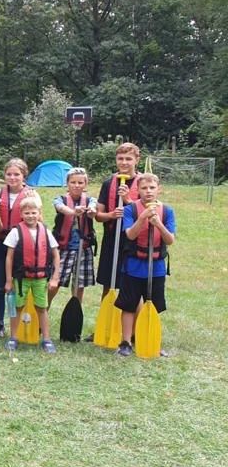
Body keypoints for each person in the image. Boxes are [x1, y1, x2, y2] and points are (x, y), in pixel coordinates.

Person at [115, 173, 175, 357]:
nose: (148, 191)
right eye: (144, 188)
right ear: (138, 190)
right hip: (133, 265)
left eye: (152, 188)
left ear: (158, 189)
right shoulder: (130, 210)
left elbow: (170, 239)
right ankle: (125, 342)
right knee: (128, 304)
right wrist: (142, 218)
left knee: (154, 304)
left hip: (156, 266)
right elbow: (130, 235)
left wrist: (158, 223)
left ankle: (150, 339)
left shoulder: (167, 211)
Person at [92, 143, 141, 341]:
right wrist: (111, 214)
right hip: (112, 240)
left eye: (128, 159)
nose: (124, 162)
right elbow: (98, 215)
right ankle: (105, 327)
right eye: (121, 158)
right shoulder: (108, 183)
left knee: (132, 287)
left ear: (136, 160)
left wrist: (128, 201)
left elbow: (147, 211)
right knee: (108, 285)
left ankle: (134, 332)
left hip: (133, 242)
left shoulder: (143, 182)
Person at [3, 193, 61, 354]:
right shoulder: (15, 232)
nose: (30, 216)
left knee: (42, 308)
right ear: (21, 214)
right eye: (27, 213)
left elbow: (56, 255)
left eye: (33, 212)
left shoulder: (46, 232)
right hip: (21, 279)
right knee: (18, 306)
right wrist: (9, 280)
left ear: (39, 213)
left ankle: (47, 339)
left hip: (41, 278)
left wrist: (55, 277)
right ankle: (13, 337)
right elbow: (9, 258)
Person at [0, 158, 32, 338]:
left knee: (21, 285)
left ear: (24, 176)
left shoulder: (31, 195)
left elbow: (37, 223)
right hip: (1, 243)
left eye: (17, 174)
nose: (12, 177)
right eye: (9, 174)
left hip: (21, 245)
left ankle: (23, 321)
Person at [52, 167, 97, 307]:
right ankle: (43, 311)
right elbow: (60, 208)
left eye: (80, 183)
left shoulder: (90, 200)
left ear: (85, 184)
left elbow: (93, 210)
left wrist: (91, 211)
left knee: (79, 284)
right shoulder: (60, 199)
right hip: (63, 248)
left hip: (83, 248)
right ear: (67, 183)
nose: (77, 186)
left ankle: (75, 311)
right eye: (73, 182)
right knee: (54, 283)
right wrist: (73, 211)